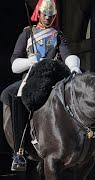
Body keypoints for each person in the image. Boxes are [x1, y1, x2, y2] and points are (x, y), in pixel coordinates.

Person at [0, 0, 81, 171]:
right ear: (39, 13)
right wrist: (29, 61)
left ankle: (88, 141)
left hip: (53, 74)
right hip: (32, 76)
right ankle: (19, 151)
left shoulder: (58, 35)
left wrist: (74, 67)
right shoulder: (27, 34)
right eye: (45, 15)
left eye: (52, 16)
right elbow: (14, 62)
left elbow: (67, 54)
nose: (48, 18)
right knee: (12, 95)